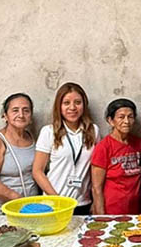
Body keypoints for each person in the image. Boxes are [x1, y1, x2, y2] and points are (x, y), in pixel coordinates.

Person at [33, 83, 97, 215]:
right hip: (55, 203)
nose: (72, 107)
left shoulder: (93, 131)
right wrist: (57, 200)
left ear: (84, 105)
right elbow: (37, 171)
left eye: (77, 102)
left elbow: (96, 169)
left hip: (83, 203)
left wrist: (96, 200)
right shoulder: (48, 131)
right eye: (66, 103)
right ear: (59, 106)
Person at [0, 93, 40, 216]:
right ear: (5, 116)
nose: (21, 115)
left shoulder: (32, 138)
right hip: (1, 209)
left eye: (26, 110)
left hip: (29, 208)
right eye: (15, 110)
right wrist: (18, 199)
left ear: (31, 116)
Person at [90, 98, 141, 215]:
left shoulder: (138, 143)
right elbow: (96, 187)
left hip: (135, 208)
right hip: (112, 209)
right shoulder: (104, 147)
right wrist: (101, 216)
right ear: (111, 120)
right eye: (121, 117)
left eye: (130, 117)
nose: (126, 121)